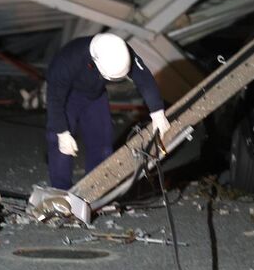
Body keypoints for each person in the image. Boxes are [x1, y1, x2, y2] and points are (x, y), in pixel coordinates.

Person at [44, 32, 170, 190]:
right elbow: (54, 99)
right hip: (68, 96)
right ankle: (60, 190)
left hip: (96, 96)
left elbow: (144, 78)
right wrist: (62, 132)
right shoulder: (68, 60)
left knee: (102, 143)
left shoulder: (121, 50)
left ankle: (96, 189)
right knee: (59, 142)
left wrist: (157, 112)